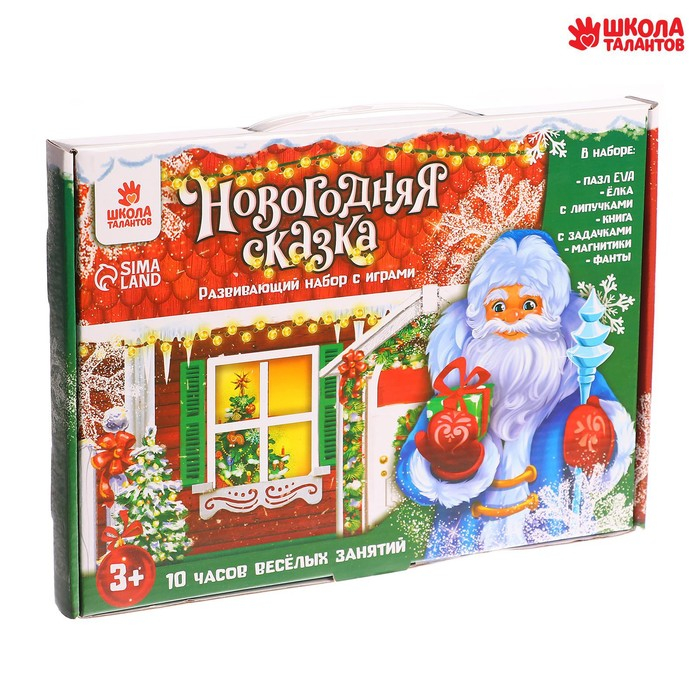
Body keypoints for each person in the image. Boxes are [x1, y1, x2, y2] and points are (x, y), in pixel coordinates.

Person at [396, 229, 635, 556]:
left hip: (555, 541)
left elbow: (613, 442)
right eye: (499, 305)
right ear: (479, 316)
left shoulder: (575, 381)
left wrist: (603, 436)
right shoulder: (457, 389)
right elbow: (410, 476)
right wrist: (441, 465)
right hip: (465, 546)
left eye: (528, 304)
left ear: (550, 313)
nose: (513, 317)